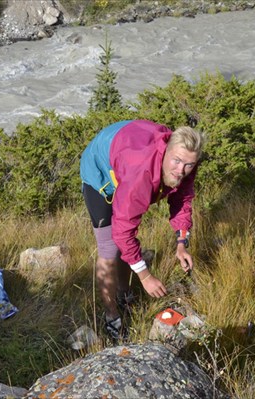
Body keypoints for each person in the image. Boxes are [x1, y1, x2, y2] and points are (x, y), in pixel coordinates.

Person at [80, 119, 205, 340]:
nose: (181, 171)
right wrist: (145, 276)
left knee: (124, 244)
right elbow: (123, 232)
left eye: (189, 165)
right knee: (110, 249)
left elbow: (182, 201)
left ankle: (124, 294)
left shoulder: (185, 160)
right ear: (166, 151)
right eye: (176, 161)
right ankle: (112, 317)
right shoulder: (141, 174)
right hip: (100, 168)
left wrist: (181, 243)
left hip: (125, 148)